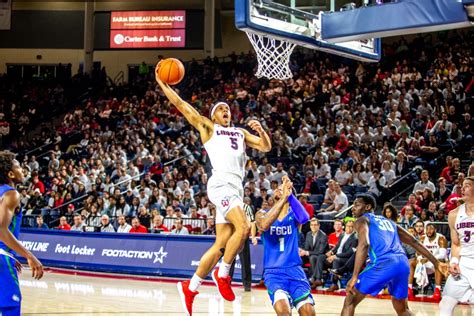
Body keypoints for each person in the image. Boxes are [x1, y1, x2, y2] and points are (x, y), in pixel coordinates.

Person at [156, 63, 272, 315]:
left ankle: (191, 285)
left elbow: (265, 148)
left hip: (235, 188)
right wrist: (163, 84)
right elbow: (182, 106)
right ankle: (224, 274)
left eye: (227, 109)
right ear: (213, 116)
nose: (225, 111)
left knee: (223, 243)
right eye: (220, 109)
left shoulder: (240, 133)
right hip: (220, 184)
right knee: (242, 228)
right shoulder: (209, 128)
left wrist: (262, 132)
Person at [341, 194, 447, 316]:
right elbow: (414, 241)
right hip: (402, 263)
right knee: (403, 310)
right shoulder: (390, 222)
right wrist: (436, 262)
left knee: (349, 301)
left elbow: (364, 244)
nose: (353, 208)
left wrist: (354, 276)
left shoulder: (362, 220)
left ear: (368, 207)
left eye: (357, 205)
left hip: (384, 263)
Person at [255, 176, 315, 315]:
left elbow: (305, 218)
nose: (279, 189)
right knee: (284, 312)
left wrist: (290, 196)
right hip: (274, 273)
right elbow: (263, 225)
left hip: (295, 270)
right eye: (278, 188)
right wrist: (284, 198)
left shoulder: (294, 216)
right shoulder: (262, 213)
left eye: (283, 188)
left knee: (309, 312)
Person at [0, 151, 44, 315]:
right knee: (11, 308)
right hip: (1, 259)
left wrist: (9, 253)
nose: (23, 169)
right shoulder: (11, 194)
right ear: (10, 173)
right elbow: (1, 230)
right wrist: (29, 255)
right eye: (18, 166)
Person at [439, 176, 474, 316]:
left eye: (467, 185)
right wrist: (454, 261)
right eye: (462, 185)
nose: (462, 188)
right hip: (464, 264)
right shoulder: (454, 214)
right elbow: (455, 243)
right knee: (445, 304)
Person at [408, 223, 447, 301]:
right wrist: (419, 258)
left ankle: (437, 290)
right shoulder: (422, 238)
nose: (429, 231)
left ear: (435, 230)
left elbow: (442, 255)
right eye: (427, 229)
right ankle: (409, 288)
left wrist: (429, 258)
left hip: (435, 263)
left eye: (431, 229)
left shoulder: (441, 238)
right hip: (424, 263)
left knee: (438, 262)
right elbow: (417, 252)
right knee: (411, 262)